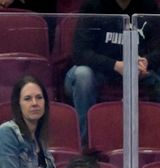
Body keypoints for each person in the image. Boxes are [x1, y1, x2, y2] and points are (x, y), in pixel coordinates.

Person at [65, 0, 160, 144]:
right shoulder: (92, 6)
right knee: (82, 75)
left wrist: (146, 62)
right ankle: (86, 144)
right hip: (98, 71)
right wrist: (115, 65)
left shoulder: (149, 7)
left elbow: (158, 48)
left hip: (137, 71)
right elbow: (80, 53)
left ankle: (154, 143)